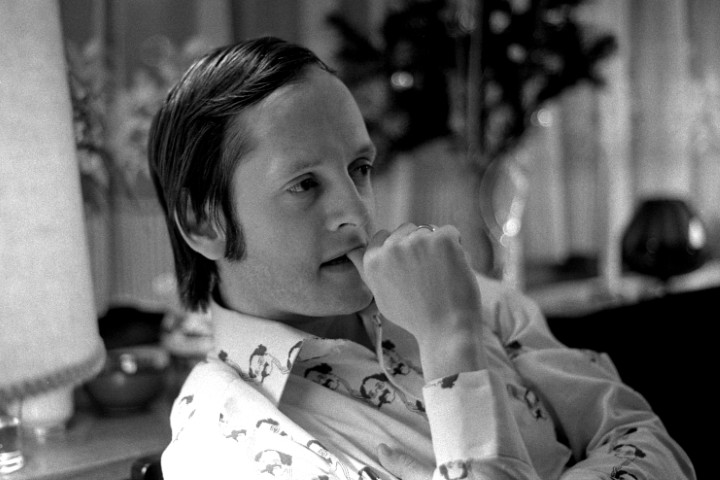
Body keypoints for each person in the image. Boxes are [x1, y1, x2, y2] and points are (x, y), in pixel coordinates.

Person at [148, 36, 695, 480]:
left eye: (360, 169)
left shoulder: (460, 295)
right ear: (203, 223)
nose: (355, 213)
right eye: (304, 184)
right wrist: (450, 346)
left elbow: (648, 440)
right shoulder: (221, 448)